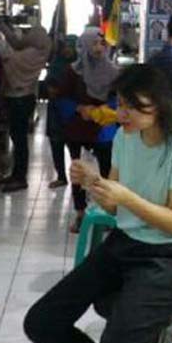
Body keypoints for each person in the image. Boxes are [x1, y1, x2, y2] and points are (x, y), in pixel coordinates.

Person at [24, 64, 172, 343]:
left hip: (169, 257)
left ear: (159, 105)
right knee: (42, 323)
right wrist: (93, 182)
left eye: (134, 107)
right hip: (124, 244)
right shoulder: (125, 137)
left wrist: (126, 198)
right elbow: (114, 206)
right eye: (120, 104)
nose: (123, 114)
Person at [70, 27, 120, 231]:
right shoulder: (74, 72)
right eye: (95, 43)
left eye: (102, 43)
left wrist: (104, 111)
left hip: (104, 130)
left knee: (108, 171)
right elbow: (62, 99)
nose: (99, 48)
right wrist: (80, 108)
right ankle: (80, 213)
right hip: (79, 129)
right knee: (78, 173)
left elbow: (118, 100)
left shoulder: (114, 73)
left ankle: (108, 211)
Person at [0, 22, 52, 192]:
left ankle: (20, 178)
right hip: (24, 98)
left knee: (19, 140)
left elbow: (9, 57)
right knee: (16, 137)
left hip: (20, 99)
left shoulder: (33, 54)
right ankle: (16, 175)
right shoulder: (39, 51)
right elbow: (15, 44)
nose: (27, 37)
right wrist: (4, 27)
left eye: (31, 34)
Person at [45, 35, 79, 189]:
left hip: (74, 110)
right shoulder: (56, 63)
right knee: (56, 143)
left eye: (70, 47)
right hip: (57, 109)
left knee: (75, 146)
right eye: (65, 47)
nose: (67, 50)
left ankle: (77, 178)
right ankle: (61, 176)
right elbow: (50, 85)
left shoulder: (80, 65)